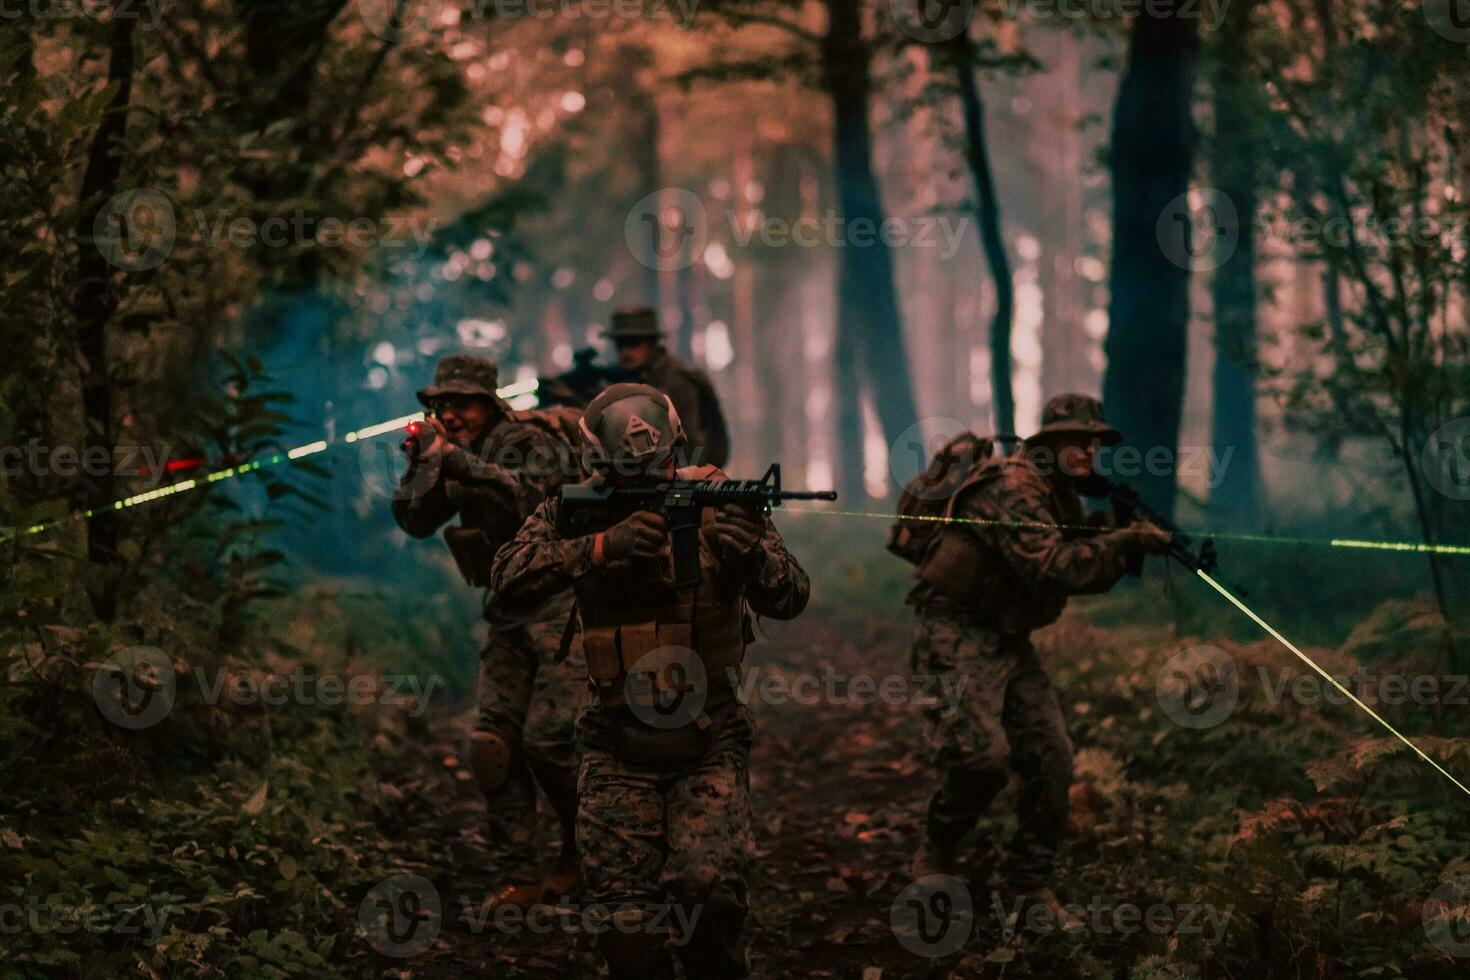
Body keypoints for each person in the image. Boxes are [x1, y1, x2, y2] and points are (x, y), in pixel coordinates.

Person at [490, 383, 809, 979]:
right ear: (600, 463)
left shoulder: (722, 498)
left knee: (707, 896)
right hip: (615, 738)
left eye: (662, 466)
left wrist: (752, 559)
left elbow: (792, 595)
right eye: (636, 473)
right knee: (625, 929)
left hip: (709, 733)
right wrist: (600, 547)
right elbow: (506, 577)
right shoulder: (571, 511)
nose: (655, 481)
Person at [905, 393, 1172, 914]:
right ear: (1048, 443)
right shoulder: (1016, 487)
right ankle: (937, 848)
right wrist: (1125, 543)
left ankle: (1028, 884)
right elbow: (1053, 567)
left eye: (1094, 442)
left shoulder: (1056, 493)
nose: (1088, 451)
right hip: (954, 632)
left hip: (1007, 636)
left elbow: (1064, 548)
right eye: (1076, 440)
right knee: (982, 760)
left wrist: (1115, 535)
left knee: (1052, 756)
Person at [391, 353, 586, 912]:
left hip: (560, 604)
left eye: (461, 404)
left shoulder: (524, 440)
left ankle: (583, 848)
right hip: (507, 610)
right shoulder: (447, 453)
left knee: (550, 740)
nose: (448, 415)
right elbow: (413, 522)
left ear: (489, 404)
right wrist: (422, 469)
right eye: (439, 405)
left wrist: (460, 463)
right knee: (492, 744)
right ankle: (518, 873)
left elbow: (542, 500)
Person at [605, 306, 730, 468]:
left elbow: (690, 445)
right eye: (620, 345)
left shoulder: (677, 383)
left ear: (651, 344)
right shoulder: (618, 380)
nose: (625, 352)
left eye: (633, 344)